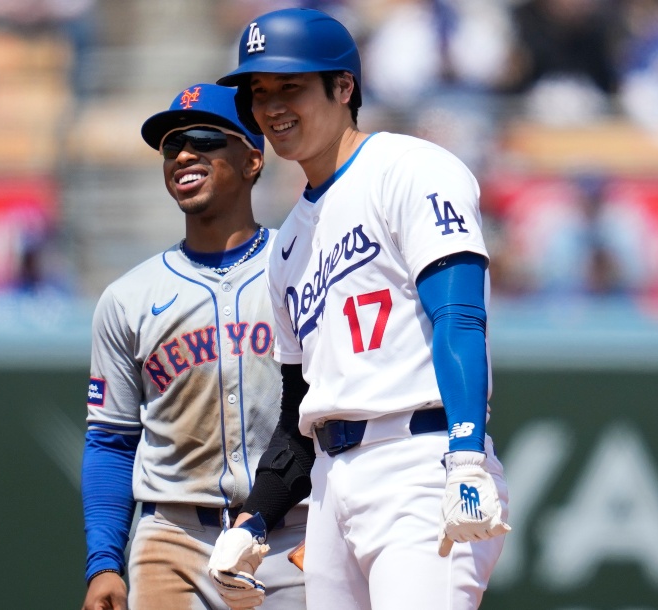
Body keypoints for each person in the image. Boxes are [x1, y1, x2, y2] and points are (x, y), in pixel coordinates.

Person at [206, 7, 511, 610]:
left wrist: (467, 452)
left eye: (289, 86)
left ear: (344, 87)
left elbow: (459, 315)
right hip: (331, 483)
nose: (271, 106)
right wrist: (254, 521)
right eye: (259, 91)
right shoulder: (288, 243)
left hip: (420, 461)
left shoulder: (410, 168)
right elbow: (300, 408)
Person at [81, 83, 307, 610]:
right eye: (171, 146)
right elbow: (111, 441)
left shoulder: (300, 267)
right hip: (173, 539)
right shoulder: (128, 298)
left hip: (291, 531)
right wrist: (103, 564)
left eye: (205, 139)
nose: (184, 154)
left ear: (253, 160)